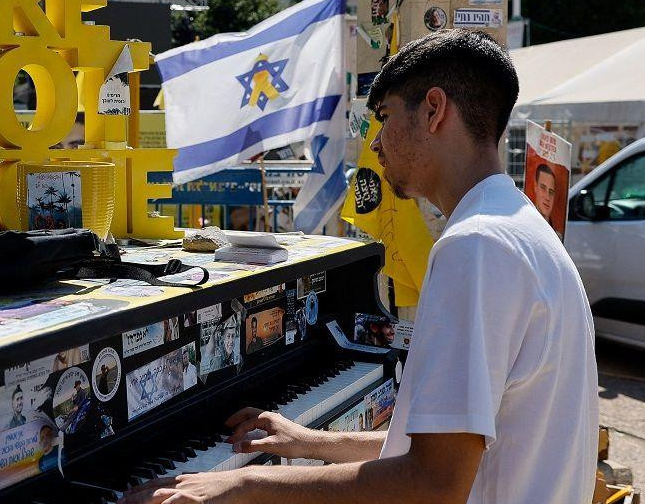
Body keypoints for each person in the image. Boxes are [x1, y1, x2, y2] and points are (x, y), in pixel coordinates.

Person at [125, 29, 598, 504]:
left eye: (385, 117)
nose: (375, 143)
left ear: (433, 110)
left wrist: (244, 483)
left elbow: (434, 484)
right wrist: (310, 442)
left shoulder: (475, 245)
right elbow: (452, 449)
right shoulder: (523, 230)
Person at [531, 163, 564, 233]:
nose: (547, 197)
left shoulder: (558, 237)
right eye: (543, 188)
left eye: (551, 192)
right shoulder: (524, 227)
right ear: (535, 187)